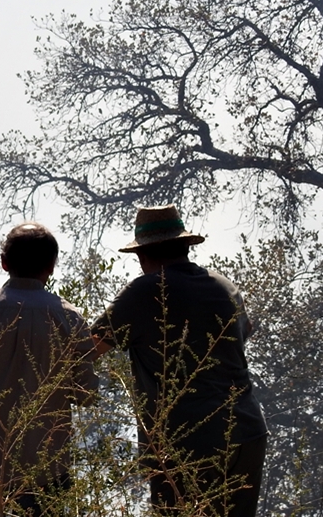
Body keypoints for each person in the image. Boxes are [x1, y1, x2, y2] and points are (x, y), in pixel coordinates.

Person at [92, 205, 267, 517]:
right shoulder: (223, 285)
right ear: (186, 247)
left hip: (186, 441)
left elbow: (87, 349)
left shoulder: (145, 290)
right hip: (246, 432)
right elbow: (246, 330)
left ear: (143, 255)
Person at [0, 222, 98, 516]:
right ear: (51, 266)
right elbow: (86, 392)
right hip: (46, 469)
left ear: (4, 263)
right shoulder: (70, 318)